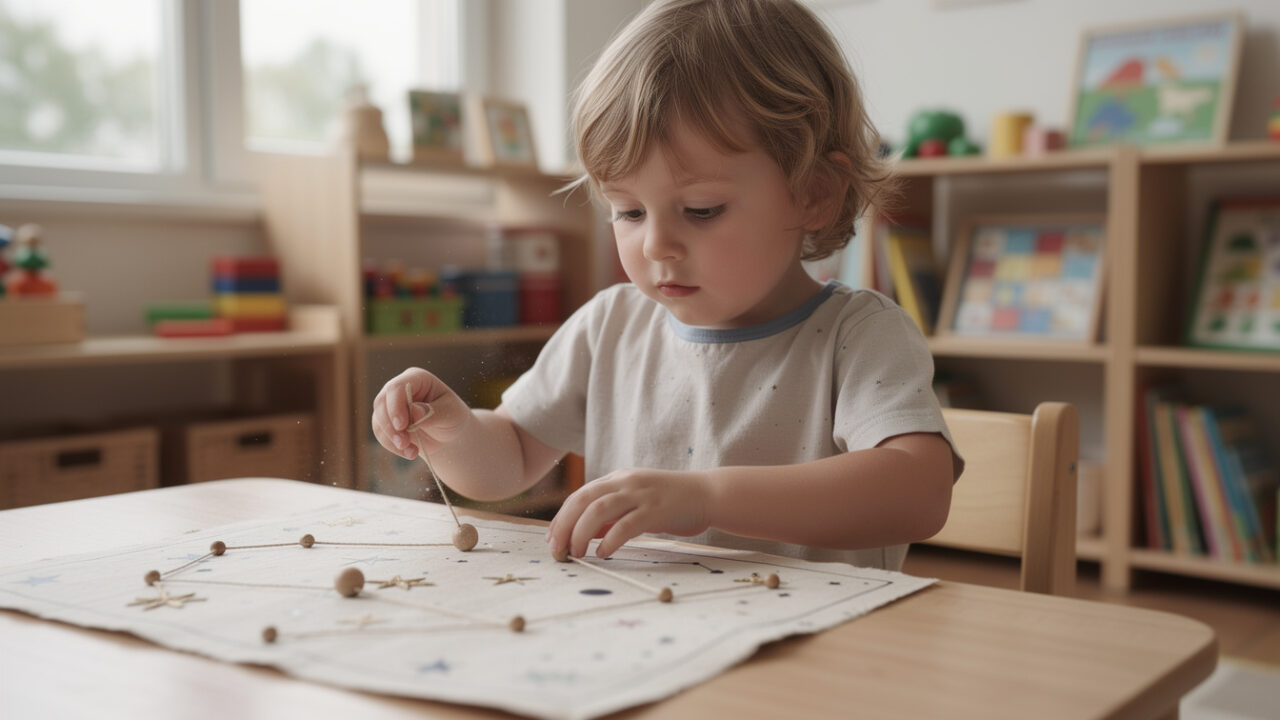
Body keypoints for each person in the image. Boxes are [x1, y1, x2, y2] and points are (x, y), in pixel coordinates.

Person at [372, 0, 962, 571]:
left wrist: (706, 498)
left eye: (701, 210)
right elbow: (512, 458)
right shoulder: (609, 327)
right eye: (628, 211)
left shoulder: (859, 335)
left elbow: (919, 492)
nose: (655, 245)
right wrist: (454, 433)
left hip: (825, 635)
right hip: (644, 626)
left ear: (813, 193)